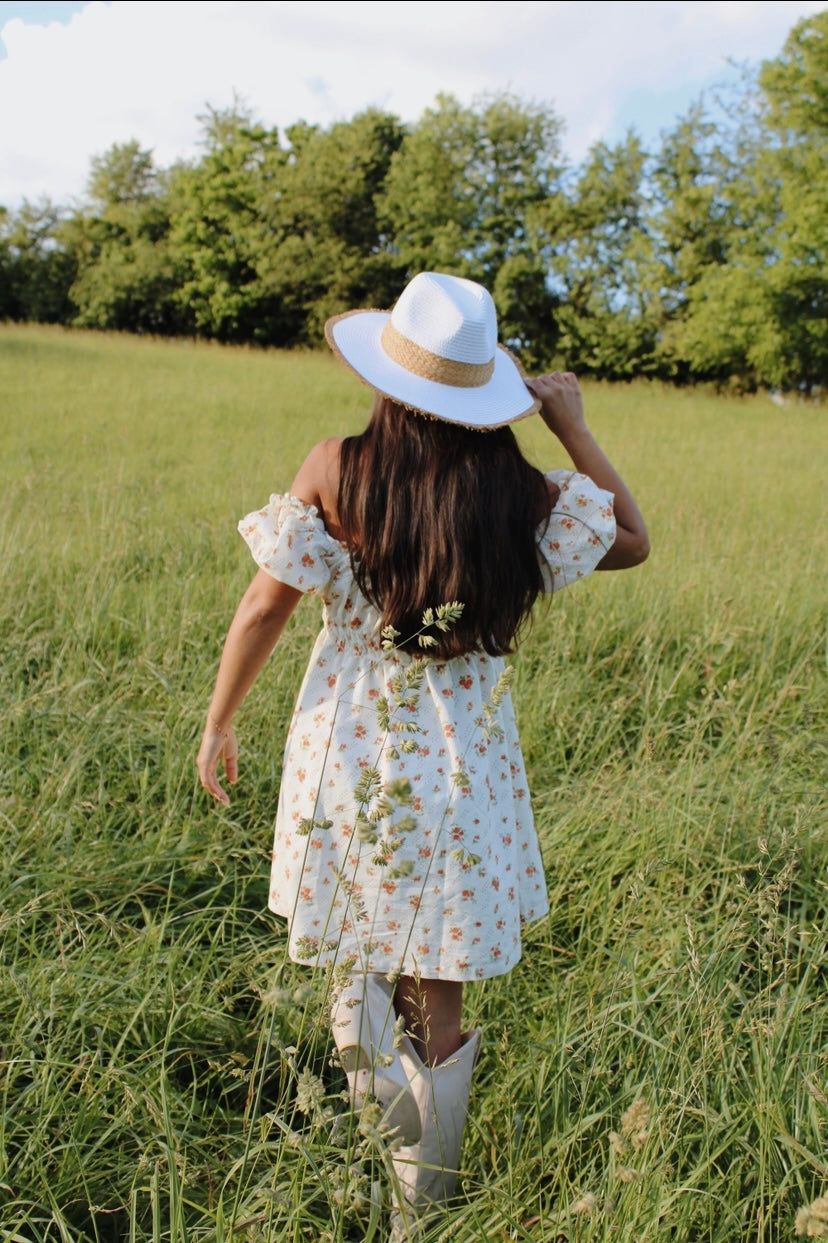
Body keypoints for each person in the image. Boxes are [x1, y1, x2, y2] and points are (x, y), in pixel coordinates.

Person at [197, 272, 649, 1238]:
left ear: (389, 375)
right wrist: (571, 425)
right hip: (462, 758)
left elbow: (264, 604)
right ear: (484, 388)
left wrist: (220, 718)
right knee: (431, 973)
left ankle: (372, 1159)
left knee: (353, 951)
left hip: (347, 747)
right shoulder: (515, 489)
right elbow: (633, 540)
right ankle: (421, 1209)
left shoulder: (337, 466)